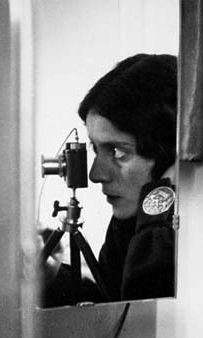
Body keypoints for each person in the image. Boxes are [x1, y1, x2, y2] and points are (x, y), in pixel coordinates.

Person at [41, 53, 177, 307]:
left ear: (169, 157)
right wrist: (51, 275)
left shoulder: (192, 231)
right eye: (95, 148)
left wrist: (158, 205)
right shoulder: (125, 223)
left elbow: (145, 315)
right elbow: (112, 305)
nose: (95, 174)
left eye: (118, 152)